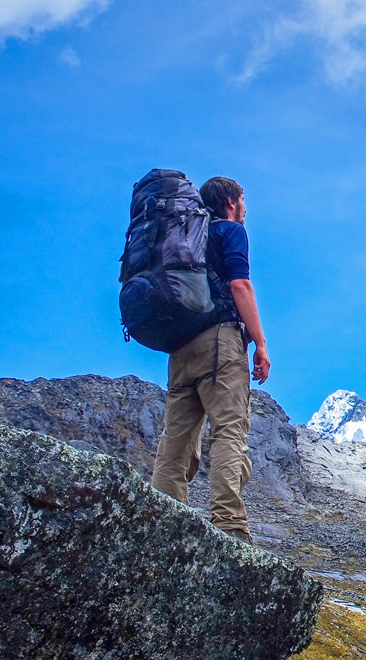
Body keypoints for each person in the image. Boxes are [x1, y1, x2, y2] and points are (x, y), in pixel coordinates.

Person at [151, 177, 270, 543]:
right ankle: (229, 523)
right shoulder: (230, 231)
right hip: (220, 342)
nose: (246, 207)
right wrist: (261, 344)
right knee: (229, 429)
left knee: (177, 437)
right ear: (232, 202)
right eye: (244, 199)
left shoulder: (187, 236)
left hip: (180, 347)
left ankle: (161, 521)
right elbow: (240, 285)